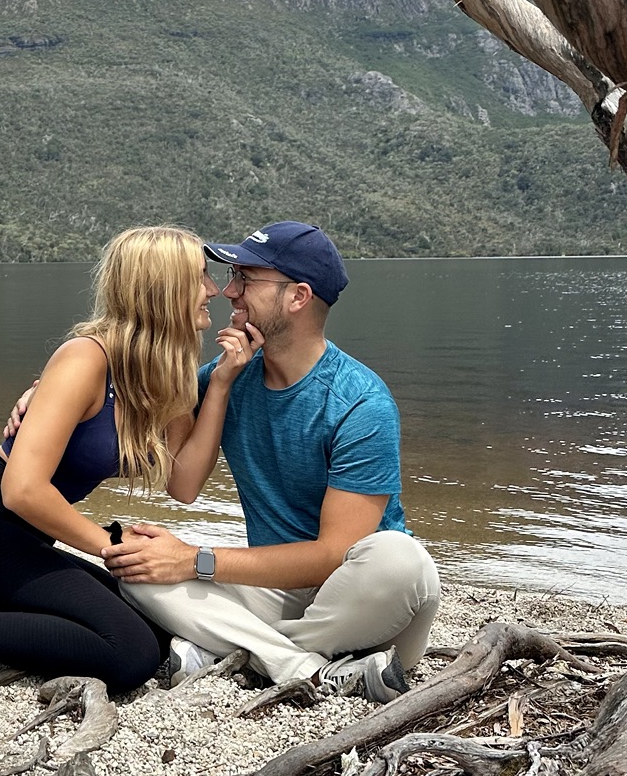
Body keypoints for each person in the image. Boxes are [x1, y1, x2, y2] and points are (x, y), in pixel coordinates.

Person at [0, 226, 238, 693]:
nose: (213, 289)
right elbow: (21, 489)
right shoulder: (86, 359)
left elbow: (186, 484)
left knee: (153, 623)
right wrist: (112, 545)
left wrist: (221, 385)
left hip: (23, 545)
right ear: (163, 288)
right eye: (200, 277)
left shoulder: (166, 376)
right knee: (129, 653)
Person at [100, 220, 440, 700]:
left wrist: (194, 560)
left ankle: (234, 653)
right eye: (231, 277)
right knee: (133, 558)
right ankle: (308, 669)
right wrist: (49, 395)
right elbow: (130, 414)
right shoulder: (227, 376)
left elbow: (331, 555)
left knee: (401, 560)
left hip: (363, 598)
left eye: (246, 279)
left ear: (298, 297)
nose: (229, 291)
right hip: (277, 592)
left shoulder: (360, 403)